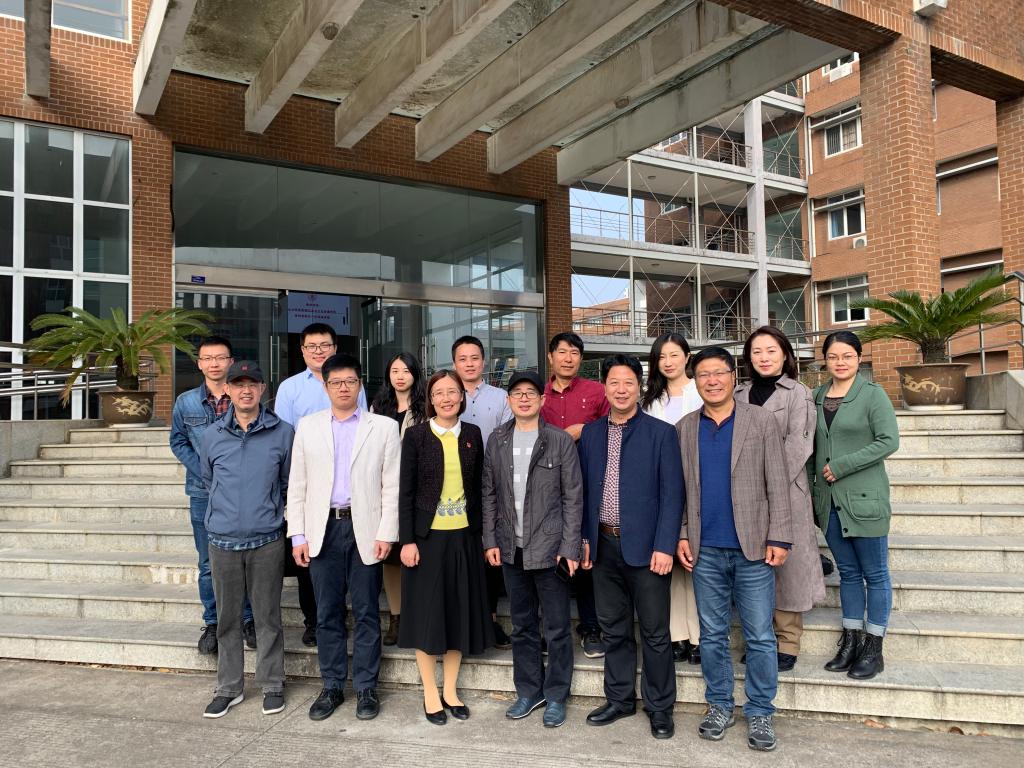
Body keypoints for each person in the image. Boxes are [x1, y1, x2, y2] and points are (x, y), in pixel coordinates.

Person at [676, 347, 792, 752]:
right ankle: (720, 705)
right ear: (695, 381)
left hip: (754, 547)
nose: (712, 381)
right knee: (712, 635)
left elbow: (778, 482)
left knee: (760, 635)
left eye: (719, 373)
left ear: (733, 377)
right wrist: (682, 533)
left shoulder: (760, 421)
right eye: (703, 374)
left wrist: (780, 536)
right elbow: (681, 489)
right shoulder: (684, 428)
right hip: (705, 548)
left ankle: (760, 711)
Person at [287, 353, 401, 722]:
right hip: (323, 530)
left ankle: (366, 687)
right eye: (336, 382)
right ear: (326, 387)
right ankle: (333, 685)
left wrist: (387, 533)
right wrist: (298, 535)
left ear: (360, 384)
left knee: (367, 611)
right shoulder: (308, 427)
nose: (343, 388)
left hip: (365, 529)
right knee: (327, 612)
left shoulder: (383, 427)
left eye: (350, 381)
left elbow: (391, 486)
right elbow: (298, 484)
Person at [578, 354, 683, 740]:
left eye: (628, 382)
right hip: (603, 545)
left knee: (655, 632)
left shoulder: (661, 433)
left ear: (639, 386)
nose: (621, 390)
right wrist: (584, 539)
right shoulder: (591, 434)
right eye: (614, 383)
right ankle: (619, 699)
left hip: (648, 549)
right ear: (604, 387)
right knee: (614, 629)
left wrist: (665, 545)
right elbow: (582, 493)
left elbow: (672, 495)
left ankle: (660, 707)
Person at [482, 371, 583, 729]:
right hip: (512, 548)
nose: (524, 398)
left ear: (542, 399)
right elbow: (488, 493)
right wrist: (490, 540)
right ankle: (528, 691)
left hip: (551, 549)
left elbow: (573, 498)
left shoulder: (559, 440)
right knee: (523, 625)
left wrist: (570, 547)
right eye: (517, 393)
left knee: (556, 627)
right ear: (508, 400)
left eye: (530, 393)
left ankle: (556, 695)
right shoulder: (497, 439)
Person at [397, 369, 493, 725]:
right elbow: (405, 492)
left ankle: (450, 691)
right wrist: (407, 540)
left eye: (453, 391)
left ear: (461, 397)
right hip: (426, 540)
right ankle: (429, 692)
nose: (447, 398)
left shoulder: (473, 434)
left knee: (457, 614)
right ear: (430, 399)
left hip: (464, 538)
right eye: (439, 392)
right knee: (427, 617)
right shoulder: (417, 436)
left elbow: (480, 487)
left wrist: (483, 536)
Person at [199, 361, 293, 719]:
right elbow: (209, 479)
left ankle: (272, 683)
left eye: (252, 384)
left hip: (266, 538)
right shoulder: (212, 435)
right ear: (228, 390)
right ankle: (229, 687)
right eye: (238, 384)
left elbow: (287, 483)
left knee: (268, 617)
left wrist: (268, 511)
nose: (246, 390)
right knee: (227, 619)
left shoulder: (283, 432)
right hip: (222, 540)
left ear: (263, 388)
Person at [734, 326, 825, 672]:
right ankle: (760, 638)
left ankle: (787, 640)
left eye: (771, 350)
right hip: (744, 495)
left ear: (785, 354)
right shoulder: (739, 394)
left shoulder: (797, 393)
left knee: (788, 567)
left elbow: (799, 444)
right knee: (753, 567)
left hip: (787, 491)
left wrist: (766, 483)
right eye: (757, 351)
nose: (764, 358)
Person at [810, 331, 899, 681]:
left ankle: (873, 647)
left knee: (874, 574)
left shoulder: (873, 395)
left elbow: (888, 441)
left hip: (865, 501)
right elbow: (812, 449)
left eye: (847, 356)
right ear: (825, 360)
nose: (840, 362)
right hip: (829, 503)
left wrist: (843, 465)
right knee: (847, 573)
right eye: (833, 356)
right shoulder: (817, 396)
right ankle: (850, 641)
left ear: (859, 359)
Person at [274, 322, 363, 647]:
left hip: (347, 485)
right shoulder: (290, 388)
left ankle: (339, 614)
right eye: (311, 346)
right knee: (309, 560)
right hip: (308, 482)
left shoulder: (351, 383)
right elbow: (282, 436)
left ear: (334, 348)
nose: (318, 351)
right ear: (302, 351)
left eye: (324, 345)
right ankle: (313, 621)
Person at [170, 335, 254, 654]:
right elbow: (178, 441)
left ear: (231, 362)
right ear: (199, 363)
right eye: (208, 358)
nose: (214, 363)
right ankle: (213, 623)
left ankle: (248, 620)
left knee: (244, 558)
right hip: (203, 493)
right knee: (208, 563)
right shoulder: (186, 402)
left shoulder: (244, 396)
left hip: (243, 492)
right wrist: (204, 470)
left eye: (220, 358)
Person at [540, 331, 609, 659]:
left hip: (589, 483)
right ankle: (550, 629)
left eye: (575, 353)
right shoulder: (537, 395)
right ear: (551, 356)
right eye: (562, 352)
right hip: (547, 488)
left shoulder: (596, 391)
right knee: (547, 556)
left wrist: (586, 429)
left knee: (586, 552)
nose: (568, 358)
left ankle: (590, 626)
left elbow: (616, 424)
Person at [641, 332, 703, 666]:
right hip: (662, 488)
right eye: (661, 357)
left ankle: (701, 637)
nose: (668, 362)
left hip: (698, 485)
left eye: (674, 355)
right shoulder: (650, 400)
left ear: (687, 356)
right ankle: (678, 635)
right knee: (672, 569)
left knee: (697, 564)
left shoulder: (701, 391)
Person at [451, 334, 513, 650]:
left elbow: (508, 440)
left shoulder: (502, 398)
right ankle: (462, 619)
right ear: (454, 363)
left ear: (483, 361)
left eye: (474, 358)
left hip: (494, 485)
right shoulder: (446, 394)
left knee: (490, 552)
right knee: (461, 554)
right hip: (454, 488)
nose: (469, 364)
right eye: (463, 359)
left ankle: (490, 619)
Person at [370, 352, 428, 646]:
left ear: (415, 374)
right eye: (395, 371)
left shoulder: (425, 407)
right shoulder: (378, 407)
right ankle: (396, 616)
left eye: (406, 370)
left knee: (416, 555)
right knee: (391, 560)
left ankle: (418, 614)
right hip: (385, 489)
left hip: (418, 490)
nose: (400, 376)